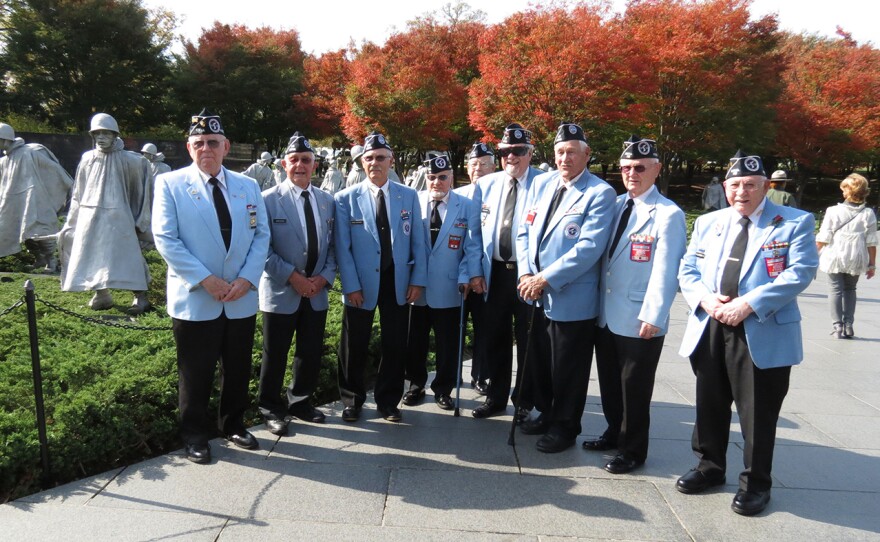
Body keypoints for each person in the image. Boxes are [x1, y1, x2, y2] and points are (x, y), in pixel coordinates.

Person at [677, 150, 818, 515]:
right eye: (735, 185)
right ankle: (709, 467)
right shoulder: (711, 222)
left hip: (760, 326)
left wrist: (748, 303)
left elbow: (799, 272)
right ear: (725, 187)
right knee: (709, 401)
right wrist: (706, 300)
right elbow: (688, 268)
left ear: (766, 187)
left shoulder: (793, 222)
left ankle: (756, 484)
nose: (742, 192)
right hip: (712, 321)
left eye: (751, 185)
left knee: (758, 412)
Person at [151, 109, 270, 464]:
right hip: (198, 297)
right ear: (190, 148)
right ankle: (195, 435)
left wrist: (247, 279)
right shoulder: (170, 184)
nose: (207, 148)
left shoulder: (248, 185)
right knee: (195, 372)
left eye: (213, 142)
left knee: (237, 369)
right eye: (199, 143)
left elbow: (261, 235)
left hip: (239, 296)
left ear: (226, 146)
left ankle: (232, 424)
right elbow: (166, 239)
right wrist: (207, 280)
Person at [585, 136, 686, 472]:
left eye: (640, 167)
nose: (631, 173)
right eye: (626, 167)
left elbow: (667, 269)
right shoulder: (614, 205)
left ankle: (633, 450)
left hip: (639, 315)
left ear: (656, 170)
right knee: (611, 382)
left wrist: (655, 315)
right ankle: (614, 431)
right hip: (606, 314)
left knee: (635, 389)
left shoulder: (668, 214)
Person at [515, 122, 615, 453]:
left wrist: (545, 278)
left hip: (571, 298)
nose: (565, 157)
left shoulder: (599, 193)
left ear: (587, 155)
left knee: (568, 369)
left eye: (572, 152)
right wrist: (526, 274)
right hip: (536, 294)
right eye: (560, 151)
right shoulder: (542, 186)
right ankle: (546, 413)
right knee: (541, 362)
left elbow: (588, 248)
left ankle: (566, 426)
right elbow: (523, 233)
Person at [334, 131, 427, 423]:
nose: (375, 162)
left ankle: (388, 402)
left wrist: (417, 280)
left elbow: (418, 244)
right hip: (360, 284)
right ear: (362, 162)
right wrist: (350, 286)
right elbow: (342, 247)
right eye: (370, 158)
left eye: (381, 158)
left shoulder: (408, 195)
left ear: (391, 160)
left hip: (397, 282)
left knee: (395, 343)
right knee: (354, 344)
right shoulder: (345, 198)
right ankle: (352, 400)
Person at [258, 132, 337, 436]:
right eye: (295, 160)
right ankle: (270, 408)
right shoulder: (267, 200)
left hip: (316, 292)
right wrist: (294, 277)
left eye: (306, 160)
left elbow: (333, 247)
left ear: (314, 165)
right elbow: (262, 249)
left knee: (310, 351)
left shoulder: (327, 201)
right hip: (282, 289)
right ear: (283, 164)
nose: (300, 165)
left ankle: (300, 402)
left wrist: (323, 278)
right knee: (275, 352)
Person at [471, 123, 543, 421]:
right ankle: (496, 397)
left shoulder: (545, 184)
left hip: (527, 275)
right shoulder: (486, 185)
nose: (510, 157)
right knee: (495, 337)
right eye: (505, 152)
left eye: (518, 151)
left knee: (528, 340)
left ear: (530, 153)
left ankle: (524, 401)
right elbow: (474, 233)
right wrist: (476, 271)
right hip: (495, 273)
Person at [404, 155, 483, 410]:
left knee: (448, 344)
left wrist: (466, 277)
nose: (436, 182)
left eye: (442, 177)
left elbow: (471, 248)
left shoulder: (467, 206)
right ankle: (415, 386)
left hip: (450, 287)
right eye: (431, 177)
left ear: (451, 176)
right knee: (414, 341)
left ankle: (443, 389)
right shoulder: (412, 201)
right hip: (416, 288)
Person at [59, 113, 151, 314]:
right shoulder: (87, 158)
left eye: (105, 133)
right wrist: (73, 218)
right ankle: (102, 294)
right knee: (91, 254)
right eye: (97, 133)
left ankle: (140, 296)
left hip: (119, 217)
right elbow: (78, 191)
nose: (101, 137)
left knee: (129, 256)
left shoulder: (131, 161)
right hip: (89, 215)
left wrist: (140, 220)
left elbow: (142, 192)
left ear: (114, 134)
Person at [0, 122, 73, 270]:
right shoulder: (4, 161)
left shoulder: (30, 152)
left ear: (6, 139)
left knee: (39, 232)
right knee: (22, 233)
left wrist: (67, 185)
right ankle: (39, 259)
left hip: (36, 200)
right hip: (14, 203)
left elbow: (53, 170)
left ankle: (51, 261)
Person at [455, 142, 496, 393]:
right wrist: (465, 274)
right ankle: (451, 376)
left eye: (483, 164)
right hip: (458, 277)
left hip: (487, 276)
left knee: (485, 329)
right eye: (473, 164)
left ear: (494, 167)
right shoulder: (457, 196)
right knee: (454, 330)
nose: (478, 168)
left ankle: (481, 375)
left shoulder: (500, 195)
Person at [815, 173, 877, 338]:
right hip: (856, 256)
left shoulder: (833, 211)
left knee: (835, 290)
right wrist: (872, 264)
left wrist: (813, 254)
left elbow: (824, 237)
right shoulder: (868, 213)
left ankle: (838, 326)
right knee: (850, 289)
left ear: (848, 191)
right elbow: (871, 241)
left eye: (844, 189)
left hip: (835, 254)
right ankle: (849, 324)